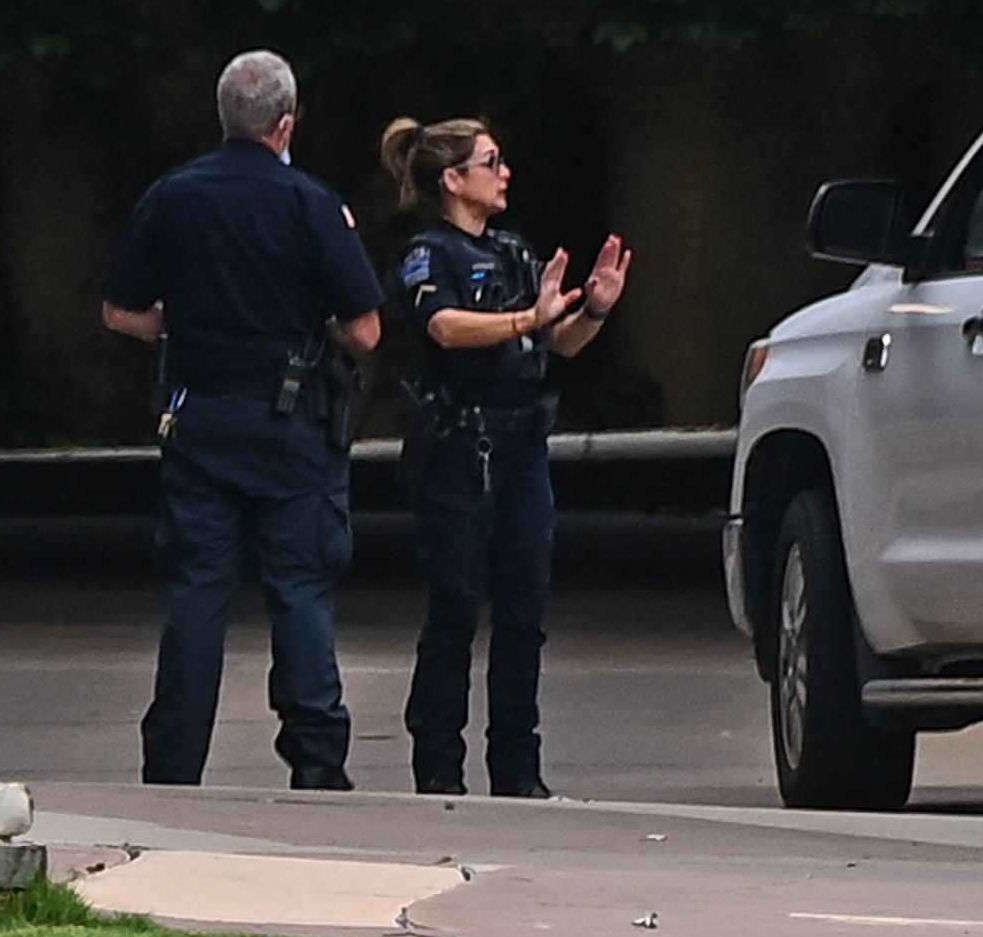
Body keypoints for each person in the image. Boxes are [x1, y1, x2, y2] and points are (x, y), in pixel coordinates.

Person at [103, 49, 384, 788]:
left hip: (199, 417)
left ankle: (174, 760)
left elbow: (121, 310)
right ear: (286, 122)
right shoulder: (311, 203)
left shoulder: (174, 196)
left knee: (199, 590)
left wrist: (181, 323)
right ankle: (318, 761)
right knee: (300, 588)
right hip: (292, 425)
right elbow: (365, 330)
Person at [385, 116, 630, 799]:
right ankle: (439, 763)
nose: (504, 173)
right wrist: (530, 318)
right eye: (490, 161)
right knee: (455, 608)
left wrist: (594, 310)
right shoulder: (429, 254)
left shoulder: (516, 253)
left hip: (522, 446)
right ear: (452, 179)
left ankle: (517, 768)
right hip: (460, 447)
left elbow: (558, 346)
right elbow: (447, 327)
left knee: (524, 612)